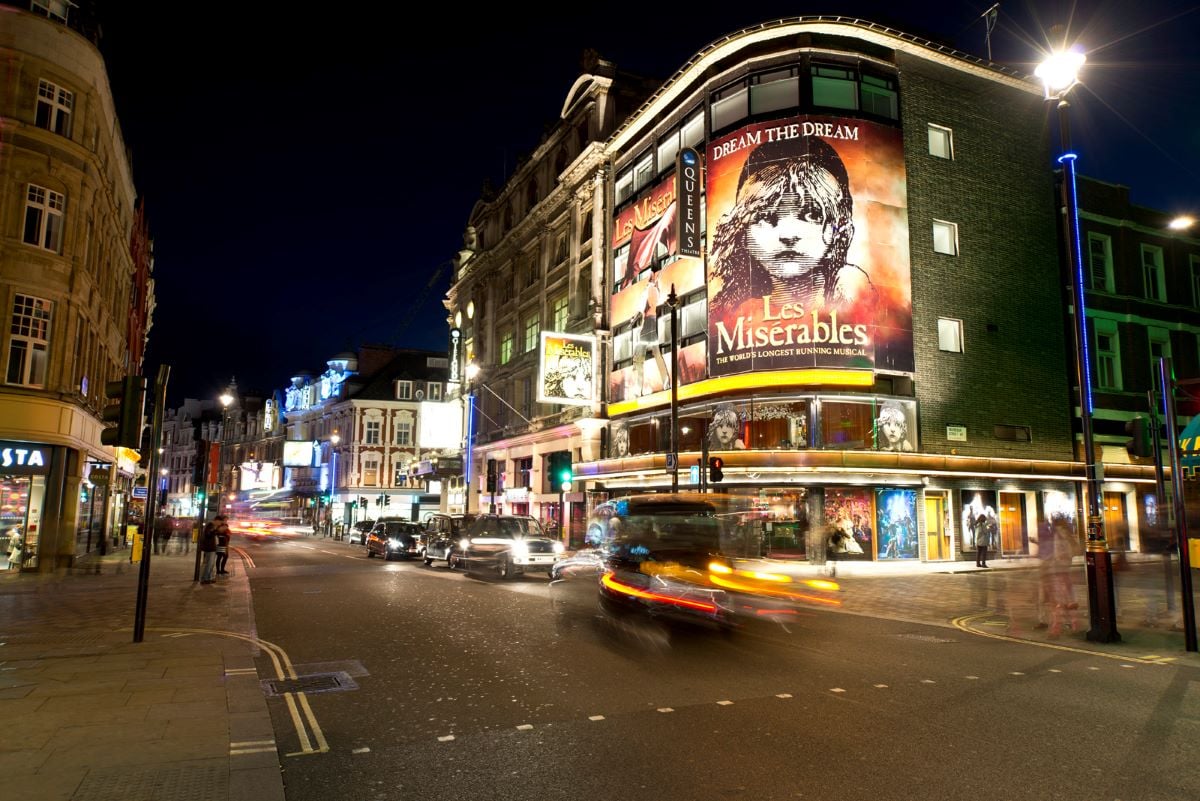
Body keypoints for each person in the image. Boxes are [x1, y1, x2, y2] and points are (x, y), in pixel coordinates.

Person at [709, 136, 873, 320]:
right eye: (765, 216)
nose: (788, 235)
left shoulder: (853, 292)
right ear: (742, 233)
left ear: (840, 229)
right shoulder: (738, 315)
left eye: (812, 215)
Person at [633, 269, 669, 396]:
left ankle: (638, 389)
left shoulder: (650, 292)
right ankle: (666, 382)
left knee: (639, 360)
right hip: (651, 324)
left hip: (647, 325)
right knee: (656, 354)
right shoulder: (654, 292)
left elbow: (642, 307)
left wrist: (636, 315)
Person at [199, 517, 219, 583]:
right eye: (219, 522)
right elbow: (208, 535)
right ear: (216, 520)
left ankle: (209, 577)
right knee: (209, 564)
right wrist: (215, 530)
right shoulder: (210, 525)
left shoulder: (212, 526)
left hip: (212, 547)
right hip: (210, 548)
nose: (219, 524)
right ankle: (205, 578)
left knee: (211, 564)